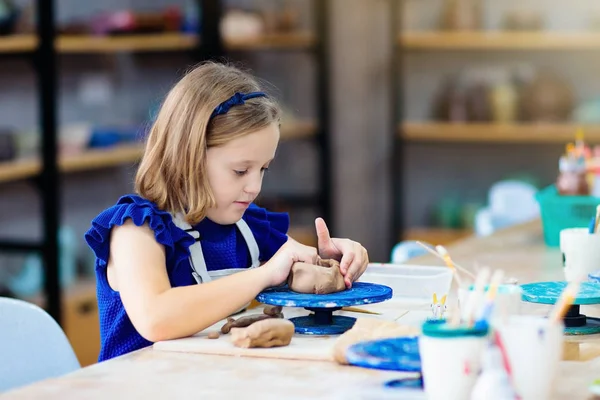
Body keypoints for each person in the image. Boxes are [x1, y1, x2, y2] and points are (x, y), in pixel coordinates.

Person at [84, 61, 369, 362]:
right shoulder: (136, 230)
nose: (254, 187)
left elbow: (299, 262)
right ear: (188, 156)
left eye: (263, 170)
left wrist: (331, 261)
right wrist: (264, 275)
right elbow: (156, 318)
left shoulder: (248, 227)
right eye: (240, 170)